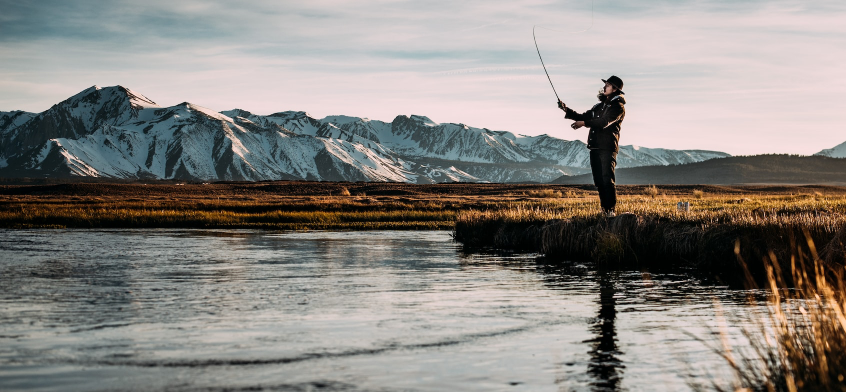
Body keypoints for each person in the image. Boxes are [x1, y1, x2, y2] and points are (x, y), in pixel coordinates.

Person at [558, 76, 626, 218]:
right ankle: (604, 210)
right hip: (595, 147)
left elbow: (603, 122)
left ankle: (611, 211)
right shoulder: (598, 106)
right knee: (599, 181)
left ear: (615, 89)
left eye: (607, 85)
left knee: (607, 179)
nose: (604, 87)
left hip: (607, 148)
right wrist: (566, 109)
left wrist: (583, 123)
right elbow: (582, 116)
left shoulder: (618, 107)